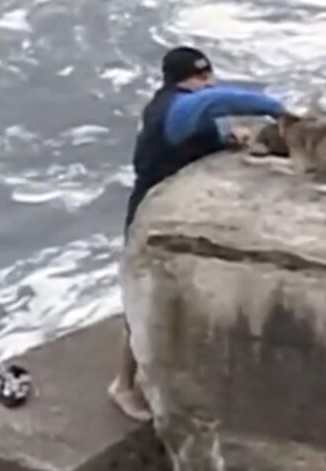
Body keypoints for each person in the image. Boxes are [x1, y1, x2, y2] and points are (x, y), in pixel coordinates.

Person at [108, 46, 287, 421]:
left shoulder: (177, 107)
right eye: (200, 77)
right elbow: (220, 101)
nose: (207, 83)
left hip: (170, 207)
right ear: (184, 79)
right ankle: (124, 385)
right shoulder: (178, 107)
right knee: (141, 302)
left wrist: (228, 139)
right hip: (150, 207)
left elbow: (206, 128)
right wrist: (277, 109)